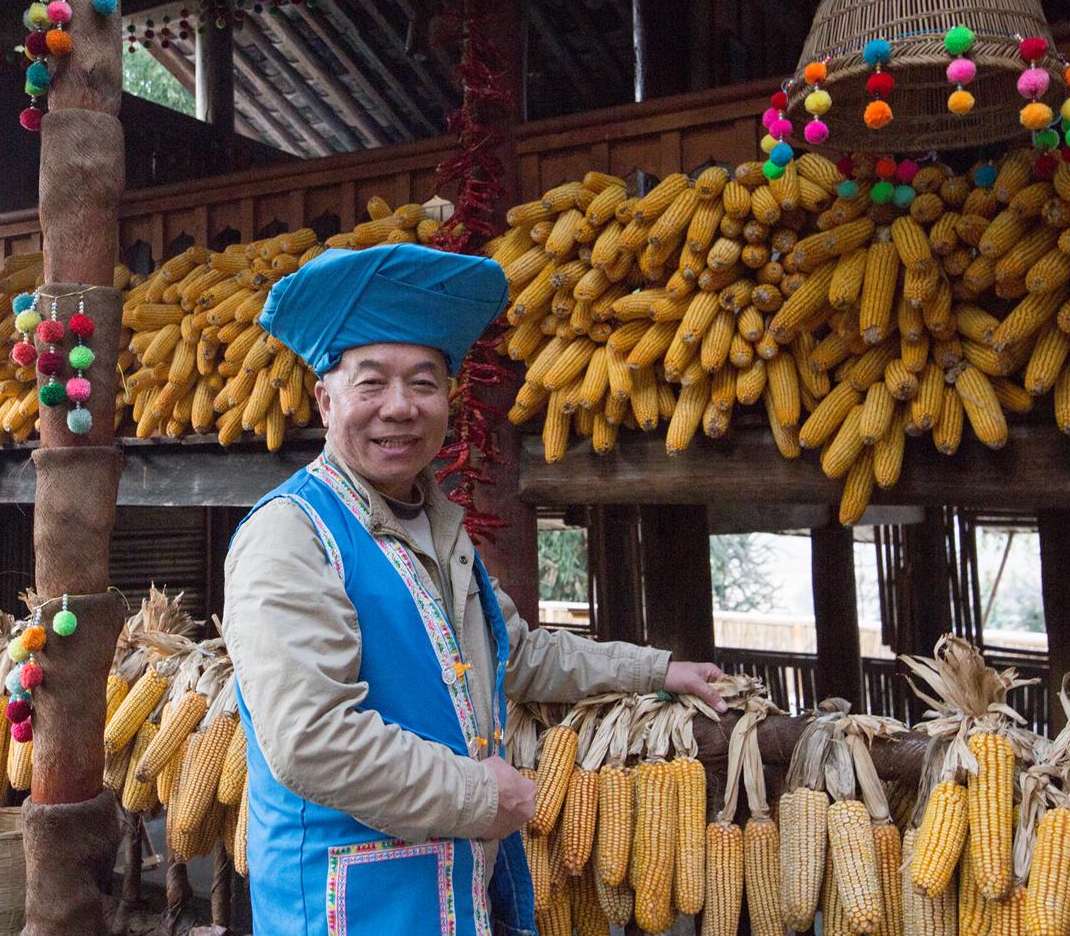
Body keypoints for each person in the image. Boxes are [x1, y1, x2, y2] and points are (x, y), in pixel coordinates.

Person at [222, 243, 726, 936]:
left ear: (450, 400)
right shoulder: (292, 535)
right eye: (371, 383)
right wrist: (478, 791)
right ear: (326, 399)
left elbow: (514, 652)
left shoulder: (439, 526)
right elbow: (312, 739)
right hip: (349, 906)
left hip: (453, 896)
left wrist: (656, 667)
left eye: (423, 383)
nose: (399, 408)